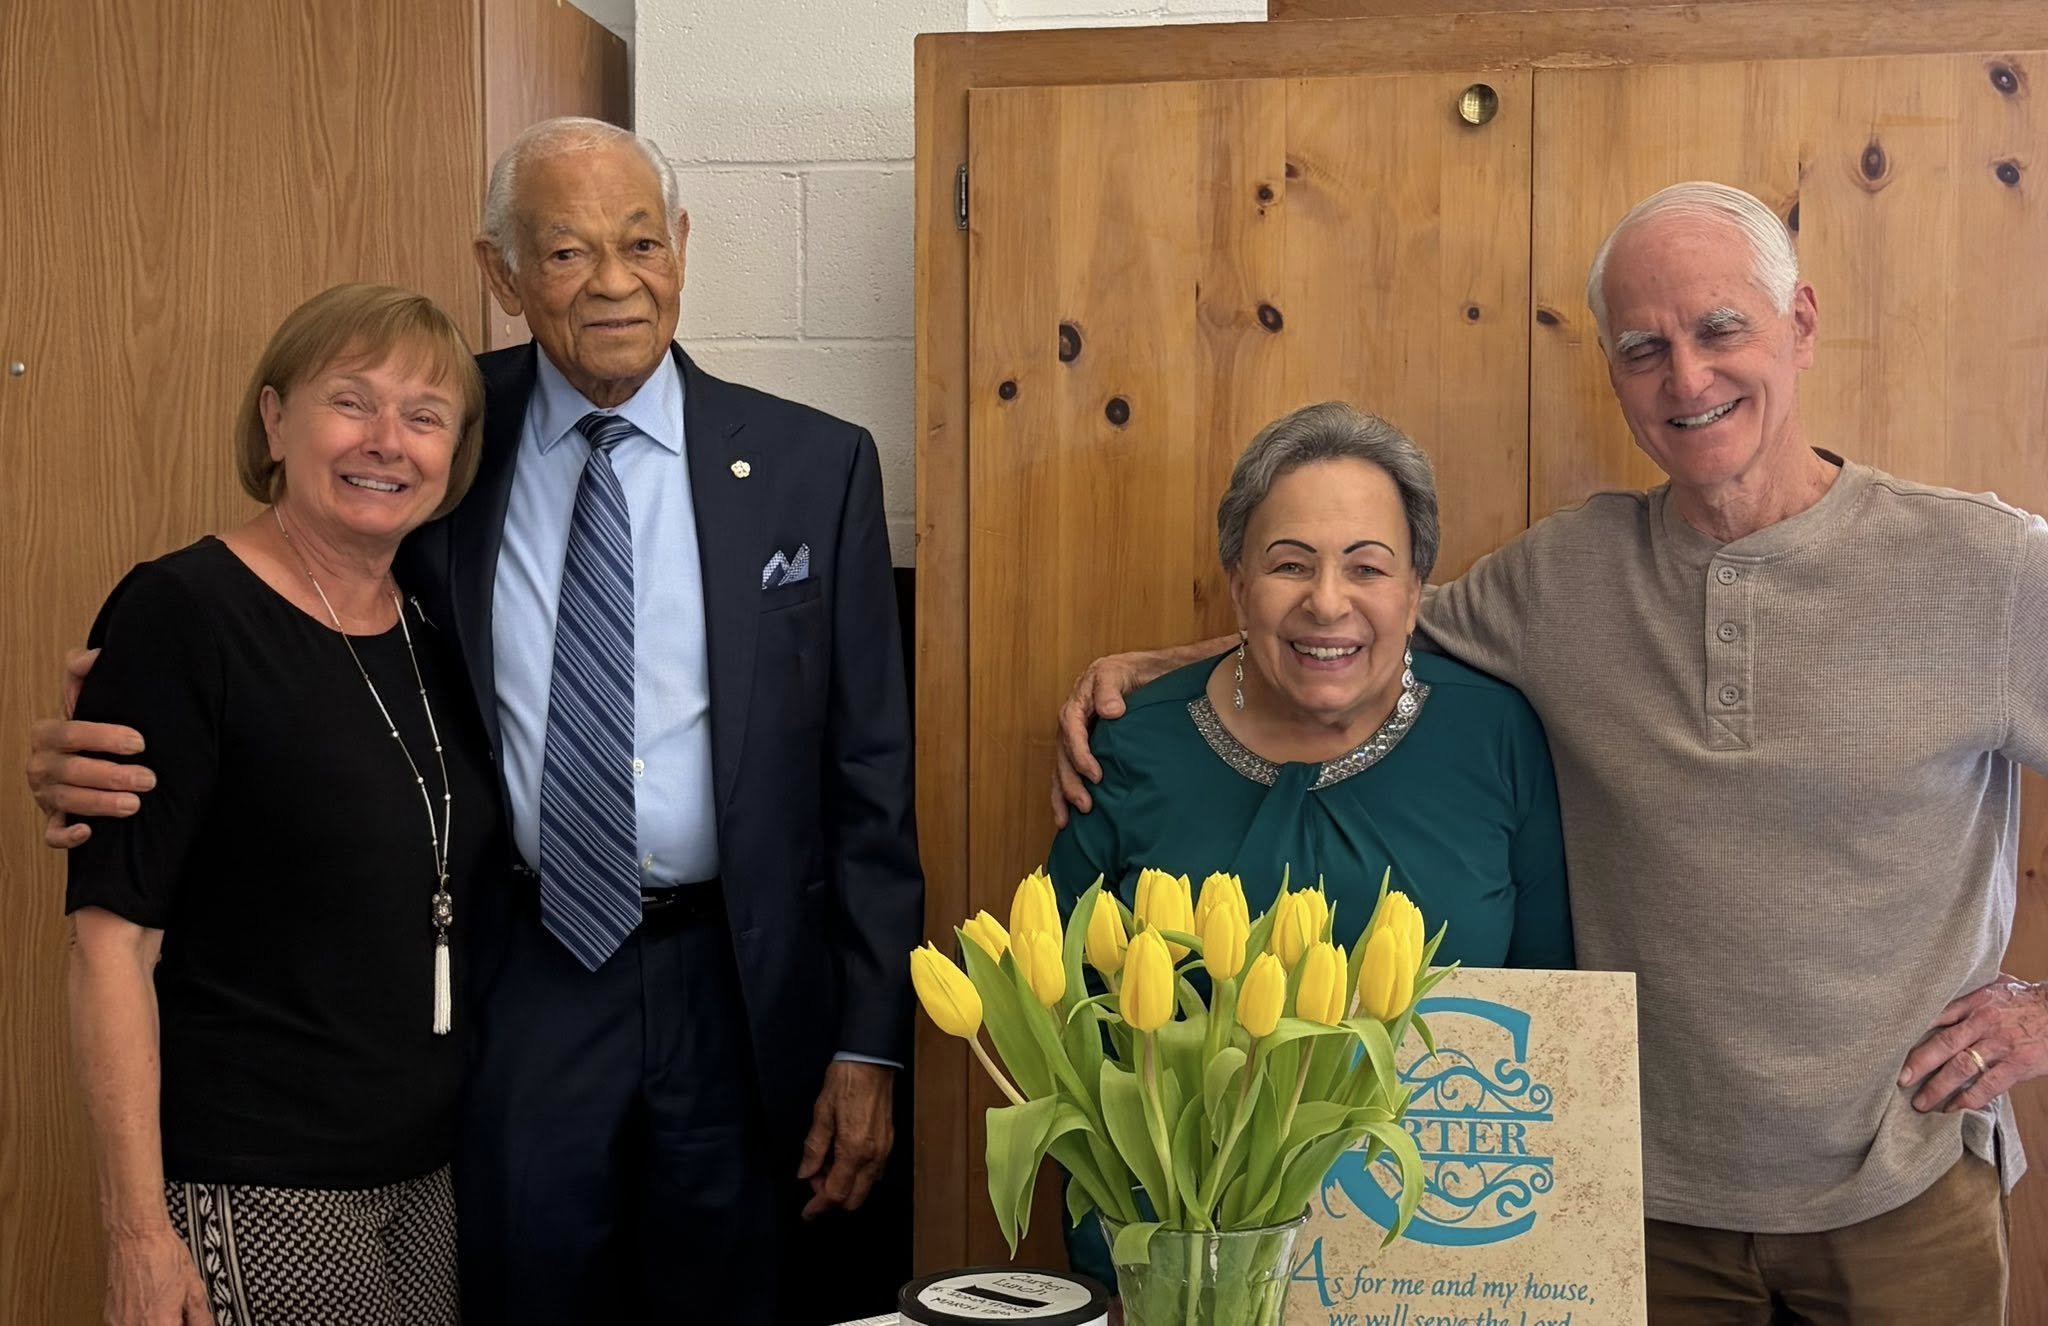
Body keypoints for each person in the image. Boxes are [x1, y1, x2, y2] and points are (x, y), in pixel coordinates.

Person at [1051, 182, 2048, 1322]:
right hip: (1629, 1207)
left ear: (1802, 324)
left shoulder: (1988, 569)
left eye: (1720, 329)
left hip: (1905, 1194)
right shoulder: (1560, 576)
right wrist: (1156, 671)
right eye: (1643, 349)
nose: (1686, 379)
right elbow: (1355, 628)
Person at [32, 117, 923, 1324]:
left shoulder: (815, 465)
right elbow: (292, 630)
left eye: (640, 242)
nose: (612, 282)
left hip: (739, 978)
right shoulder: (446, 435)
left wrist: (869, 1040)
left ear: (681, 245)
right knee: (518, 1289)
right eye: (564, 252)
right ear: (501, 273)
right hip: (519, 971)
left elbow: (867, 778)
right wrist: (108, 730)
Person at [1044, 399, 1573, 1289]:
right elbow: (1067, 1043)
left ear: (1416, 589)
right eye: (1289, 564)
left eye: (1368, 567)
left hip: (1435, 1268)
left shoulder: (1495, 734)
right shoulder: (1131, 744)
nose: (1327, 601)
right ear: (1237, 583)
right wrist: (1137, 1274)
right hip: (1185, 1267)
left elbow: (1550, 1015)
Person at [65, 283, 493, 1325]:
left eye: (425, 415)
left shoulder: (432, 632)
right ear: (273, 420)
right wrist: (138, 1233)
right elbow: (111, 944)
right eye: (351, 401)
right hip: (258, 1177)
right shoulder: (184, 612)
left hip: (424, 1178)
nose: (386, 440)